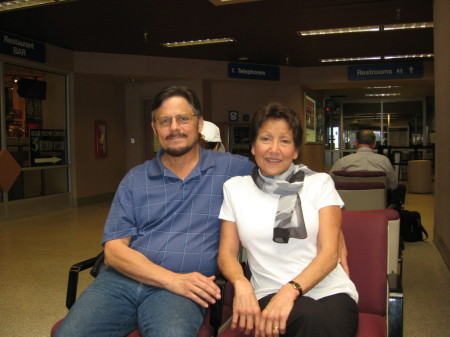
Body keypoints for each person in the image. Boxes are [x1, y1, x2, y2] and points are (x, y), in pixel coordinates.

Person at [54, 85, 255, 337]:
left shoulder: (233, 170)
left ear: (200, 123)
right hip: (122, 282)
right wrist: (172, 279)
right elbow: (114, 252)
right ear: (154, 128)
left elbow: (281, 175)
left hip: (180, 292)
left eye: (183, 119)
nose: (174, 128)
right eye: (164, 121)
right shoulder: (135, 179)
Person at [218, 102, 358, 337]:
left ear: (295, 151)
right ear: (252, 146)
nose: (274, 149)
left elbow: (329, 254)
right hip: (268, 292)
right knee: (310, 317)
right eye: (265, 139)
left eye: (284, 141)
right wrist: (241, 283)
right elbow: (226, 254)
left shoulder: (320, 183)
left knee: (318, 319)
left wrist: (290, 291)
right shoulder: (235, 189)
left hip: (330, 290)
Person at [329, 129, 406, 207]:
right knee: (400, 187)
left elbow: (329, 183)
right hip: (378, 204)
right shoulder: (384, 161)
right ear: (374, 144)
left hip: (348, 205)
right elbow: (393, 185)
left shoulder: (342, 162)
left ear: (356, 143)